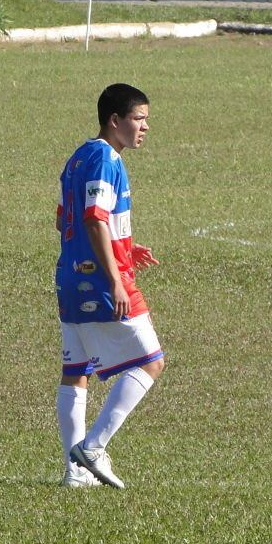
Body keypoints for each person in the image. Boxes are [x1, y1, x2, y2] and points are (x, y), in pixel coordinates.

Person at [54, 83, 164, 489]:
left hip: (70, 277)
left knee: (76, 372)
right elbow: (94, 218)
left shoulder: (79, 157)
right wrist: (115, 276)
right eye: (138, 118)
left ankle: (75, 472)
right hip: (101, 281)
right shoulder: (105, 159)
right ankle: (94, 447)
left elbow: (65, 218)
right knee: (151, 361)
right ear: (114, 120)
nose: (145, 127)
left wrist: (125, 246)